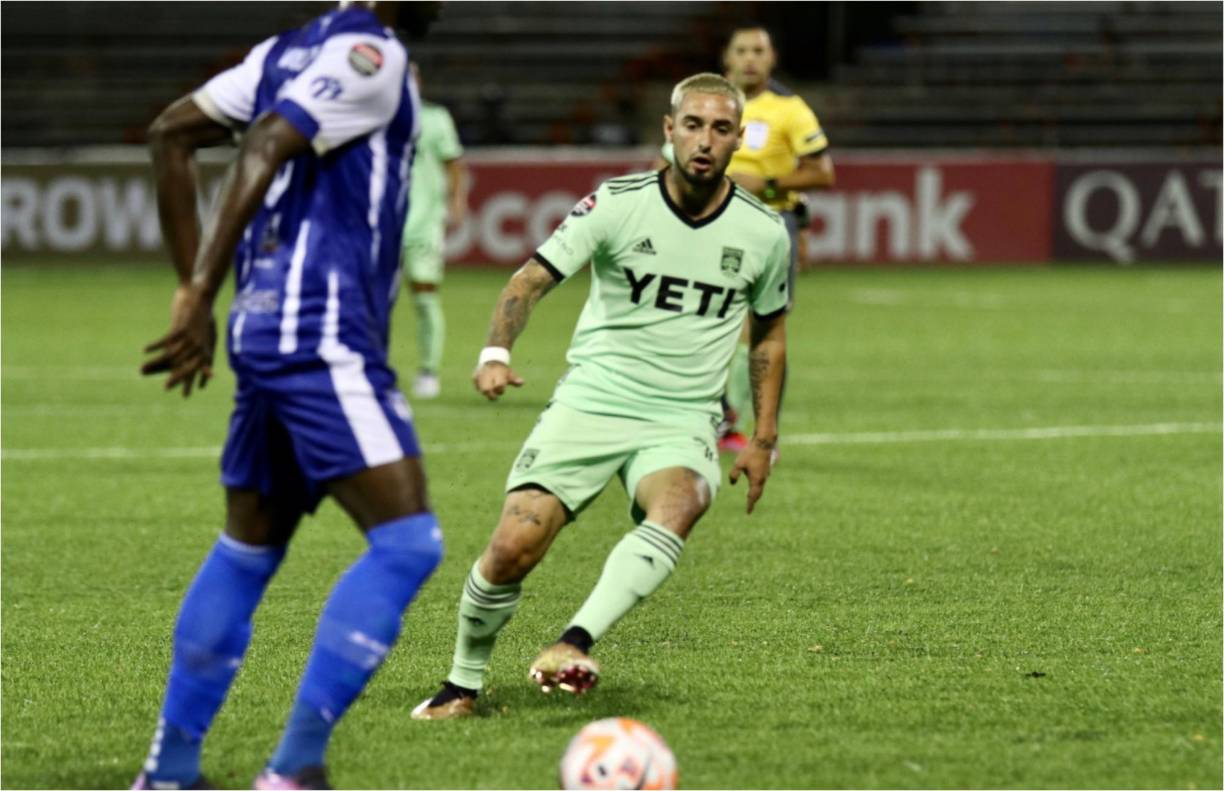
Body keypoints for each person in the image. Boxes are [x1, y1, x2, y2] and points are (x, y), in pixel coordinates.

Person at [411, 72, 789, 720]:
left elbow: (770, 336)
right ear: (669, 130)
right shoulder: (616, 203)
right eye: (692, 125)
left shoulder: (764, 233)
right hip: (593, 399)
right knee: (512, 546)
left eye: (721, 128)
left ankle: (574, 641)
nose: (705, 140)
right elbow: (529, 280)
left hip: (682, 415)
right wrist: (495, 354)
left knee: (681, 502)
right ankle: (461, 684)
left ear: (739, 139)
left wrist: (763, 437)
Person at [133, 3, 441, 788]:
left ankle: (169, 772)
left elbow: (171, 133)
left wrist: (196, 285)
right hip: (320, 332)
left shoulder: (280, 52)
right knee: (407, 543)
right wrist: (197, 291)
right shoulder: (373, 53)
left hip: (266, 325)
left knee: (249, 546)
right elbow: (268, 141)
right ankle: (294, 768)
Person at [718, 25, 834, 452]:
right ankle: (720, 421)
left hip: (769, 224)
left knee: (764, 327)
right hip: (712, 223)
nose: (750, 59)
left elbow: (822, 173)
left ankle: (758, 430)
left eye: (758, 51)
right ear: (727, 57)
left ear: (772, 59)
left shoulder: (790, 109)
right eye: (741, 50)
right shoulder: (709, 102)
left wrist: (765, 185)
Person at [402, 63, 469, 399]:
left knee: (425, 295)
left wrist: (457, 201)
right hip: (381, 225)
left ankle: (429, 371)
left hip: (424, 222)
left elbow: (453, 163)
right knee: (370, 300)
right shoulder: (375, 118)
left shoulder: (435, 118)